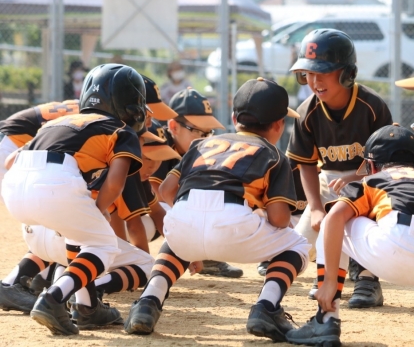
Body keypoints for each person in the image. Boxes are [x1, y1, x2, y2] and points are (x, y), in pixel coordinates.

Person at [124, 78, 310, 342]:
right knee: (297, 245)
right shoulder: (273, 154)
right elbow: (280, 219)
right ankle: (266, 307)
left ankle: (148, 302)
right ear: (279, 125)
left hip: (184, 215)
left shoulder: (200, 145)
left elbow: (166, 191)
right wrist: (257, 215)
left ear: (235, 118)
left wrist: (196, 218)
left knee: (177, 242)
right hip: (233, 223)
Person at [287, 124, 414, 347]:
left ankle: (326, 318)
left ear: (371, 165)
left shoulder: (372, 180)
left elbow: (333, 220)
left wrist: (330, 282)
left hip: (397, 251)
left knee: (338, 219)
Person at [1, 63, 146, 335]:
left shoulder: (58, 122)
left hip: (16, 189)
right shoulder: (120, 128)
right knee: (103, 244)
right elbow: (115, 182)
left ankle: (88, 305)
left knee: (78, 235)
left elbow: (10, 160)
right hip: (55, 184)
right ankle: (54, 297)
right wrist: (99, 209)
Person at [286, 28, 393, 308]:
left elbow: (386, 162)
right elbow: (307, 166)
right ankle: (328, 272)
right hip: (328, 183)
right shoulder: (307, 111)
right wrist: (317, 207)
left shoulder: (372, 107)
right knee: (299, 242)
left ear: (347, 74)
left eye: (323, 72)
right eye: (308, 73)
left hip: (371, 181)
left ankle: (369, 278)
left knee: (371, 227)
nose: (314, 81)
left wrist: (354, 176)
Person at [149, 88, 242, 278]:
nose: (204, 139)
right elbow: (152, 191)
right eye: (197, 131)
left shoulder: (198, 152)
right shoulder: (160, 141)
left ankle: (204, 254)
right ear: (174, 127)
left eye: (208, 132)